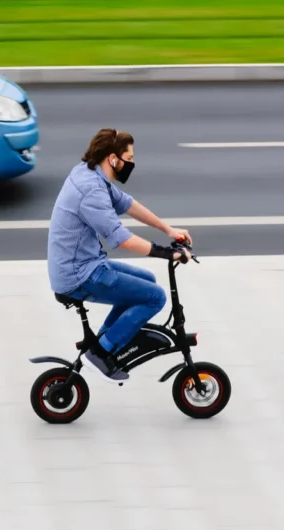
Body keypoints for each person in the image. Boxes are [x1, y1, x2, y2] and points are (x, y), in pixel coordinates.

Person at [47, 128, 192, 384]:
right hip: (79, 275)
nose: (132, 163)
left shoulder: (90, 173)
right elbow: (121, 238)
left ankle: (101, 343)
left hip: (84, 264)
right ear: (113, 159)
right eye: (130, 157)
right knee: (155, 297)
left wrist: (168, 229)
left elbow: (128, 204)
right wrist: (167, 253)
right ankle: (102, 352)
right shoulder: (91, 191)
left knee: (147, 280)